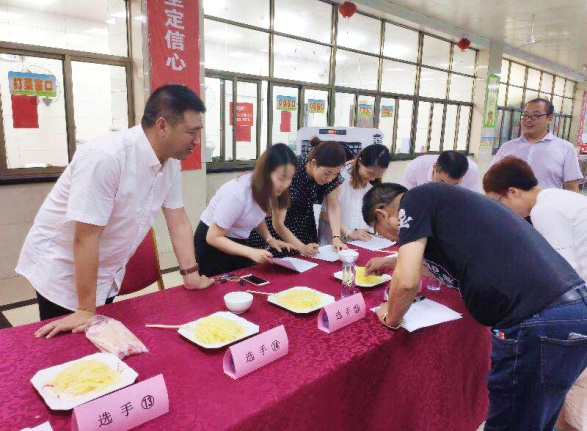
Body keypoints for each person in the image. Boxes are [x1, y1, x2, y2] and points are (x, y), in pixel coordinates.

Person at [362, 182, 587, 430]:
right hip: (570, 312)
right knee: (533, 421)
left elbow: (406, 282)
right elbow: (444, 267)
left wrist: (390, 317)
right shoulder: (444, 208)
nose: (388, 238)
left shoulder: (414, 200)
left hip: (535, 322)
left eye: (378, 231)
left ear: (382, 214)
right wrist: (391, 261)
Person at [16, 84, 214, 339]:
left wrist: (191, 276)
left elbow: (178, 220)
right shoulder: (106, 157)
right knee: (70, 349)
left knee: (100, 342)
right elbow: (85, 237)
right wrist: (86, 309)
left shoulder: (170, 163)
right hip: (62, 271)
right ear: (163, 126)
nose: (197, 141)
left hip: (105, 271)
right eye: (192, 132)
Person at [483, 156, 587, 430]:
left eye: (499, 203)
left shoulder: (544, 210)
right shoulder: (557, 198)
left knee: (571, 391)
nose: (501, 212)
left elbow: (562, 273)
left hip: (579, 304)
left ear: (513, 192)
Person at [194, 144, 296, 277]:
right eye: (281, 178)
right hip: (213, 244)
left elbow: (256, 216)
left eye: (290, 178)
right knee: (220, 286)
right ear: (265, 172)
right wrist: (251, 252)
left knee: (242, 282)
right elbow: (213, 237)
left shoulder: (271, 189)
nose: (285, 184)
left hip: (237, 241)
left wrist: (269, 239)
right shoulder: (237, 194)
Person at [248, 138, 348, 257]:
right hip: (279, 230)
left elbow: (333, 206)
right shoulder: (292, 172)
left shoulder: (330, 175)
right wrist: (301, 247)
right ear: (314, 163)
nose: (330, 179)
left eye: (335, 175)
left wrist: (336, 237)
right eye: (327, 173)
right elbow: (278, 223)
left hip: (304, 224)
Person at [491, 98, 583, 192]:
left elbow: (571, 187)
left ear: (550, 118)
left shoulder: (565, 149)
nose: (528, 120)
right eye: (525, 115)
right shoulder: (507, 147)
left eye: (536, 115)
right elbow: (492, 179)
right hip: (509, 201)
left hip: (546, 201)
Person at [319, 143, 391, 245]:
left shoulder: (372, 186)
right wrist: (349, 232)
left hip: (361, 242)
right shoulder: (340, 178)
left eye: (379, 174)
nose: (372, 178)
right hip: (333, 241)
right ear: (360, 162)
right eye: (370, 173)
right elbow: (324, 212)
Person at [400, 150, 480, 192]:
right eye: (442, 181)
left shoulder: (472, 172)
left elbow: (472, 205)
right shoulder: (415, 168)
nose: (447, 189)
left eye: (455, 185)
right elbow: (404, 200)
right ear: (435, 167)